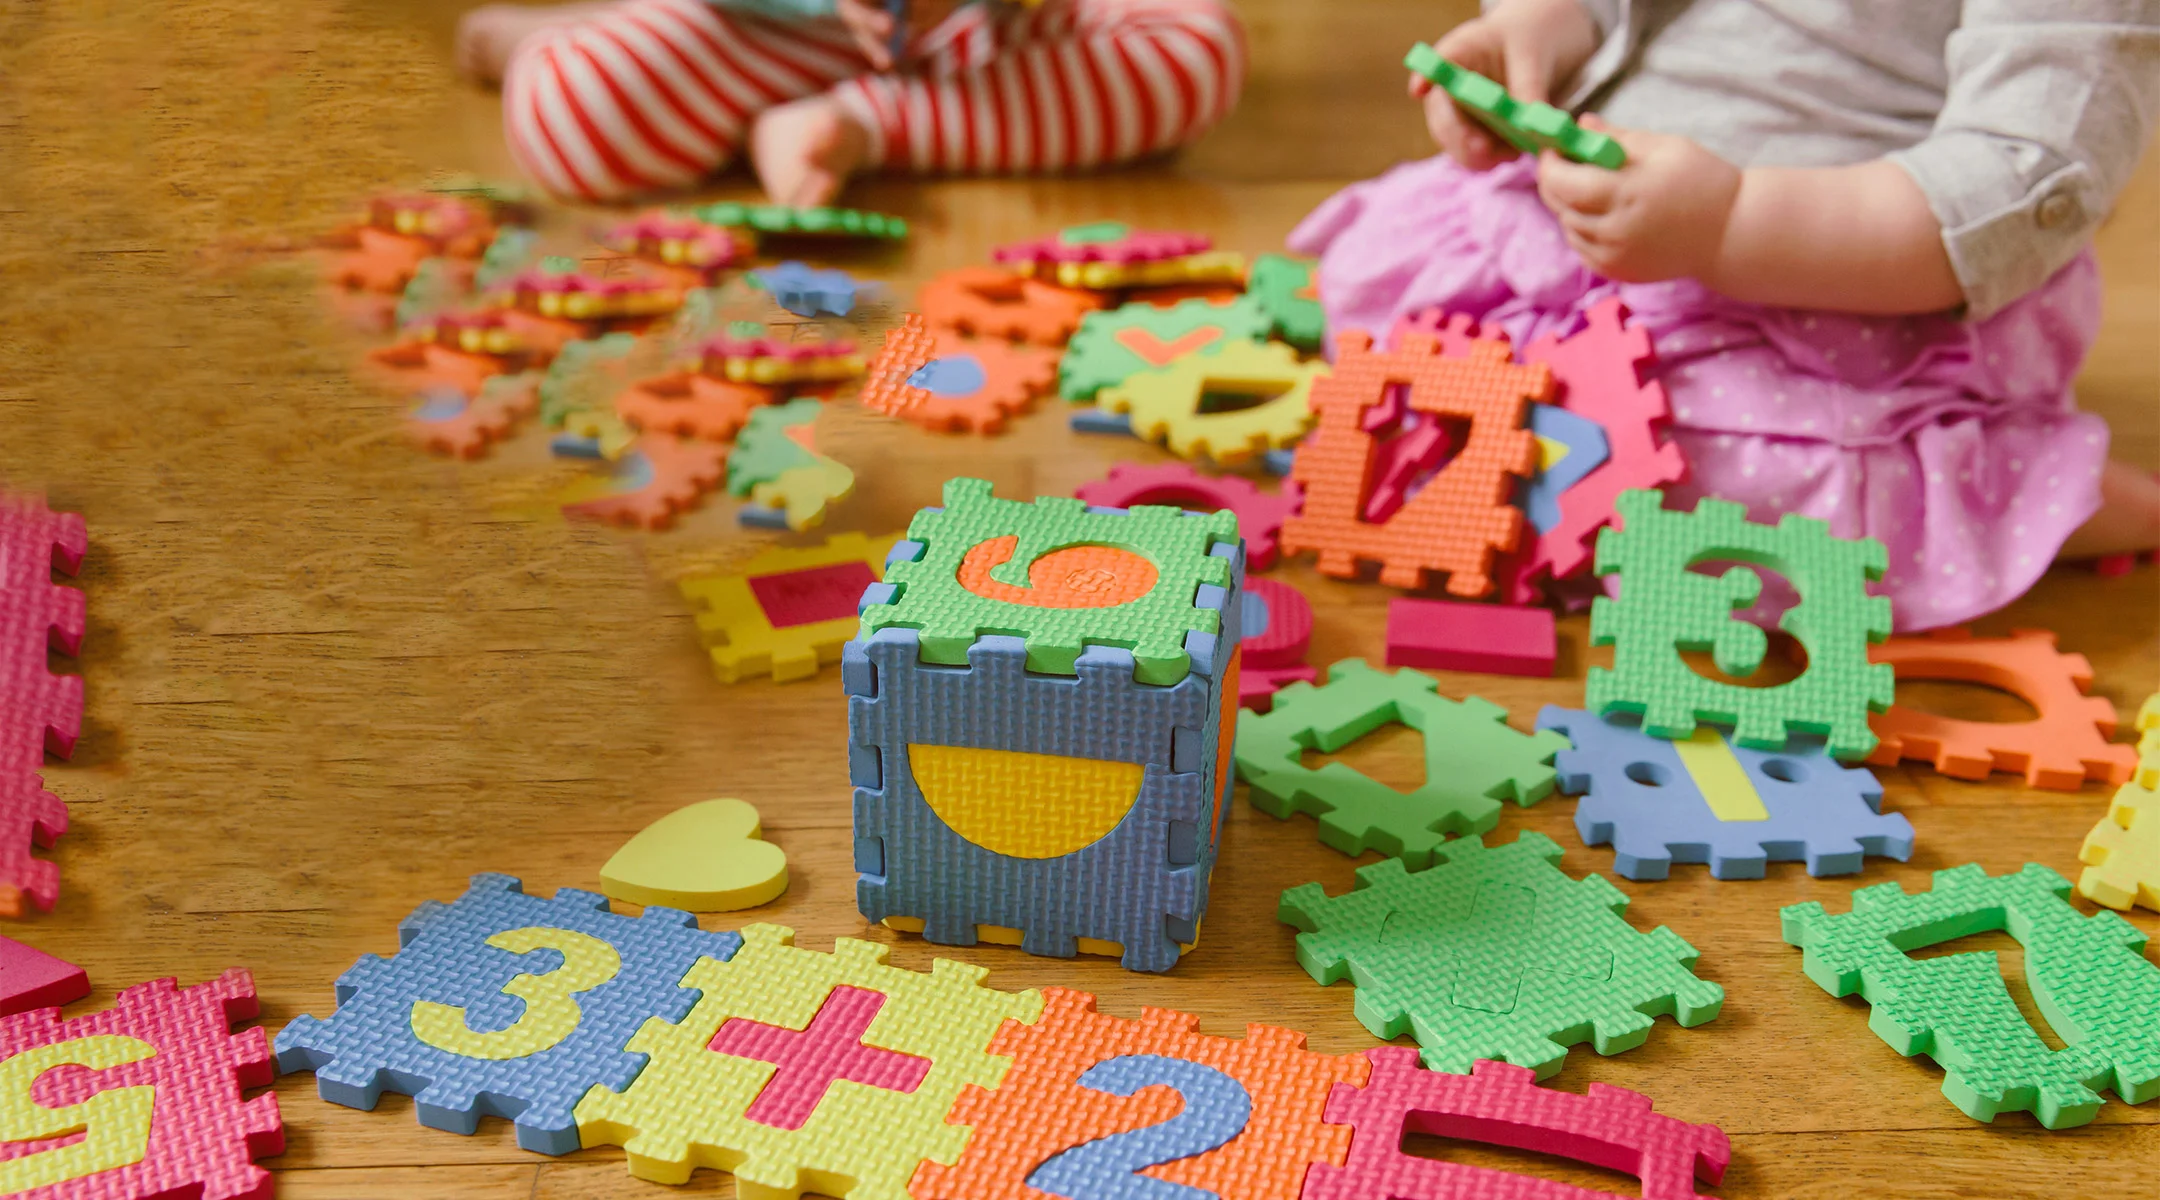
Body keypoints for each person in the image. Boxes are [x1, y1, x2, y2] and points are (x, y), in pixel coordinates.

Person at [1290, 0, 2160, 629]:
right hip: (1600, 214)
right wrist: (1534, 35)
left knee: (1715, 487)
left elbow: (2015, 183)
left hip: (1841, 292)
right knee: (1385, 301)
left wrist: (1729, 225)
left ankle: (2026, 490)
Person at [455, 0, 1245, 207]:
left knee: (1200, 51)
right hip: (773, 22)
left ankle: (863, 123)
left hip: (999, 34)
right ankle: (560, 32)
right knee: (581, 112)